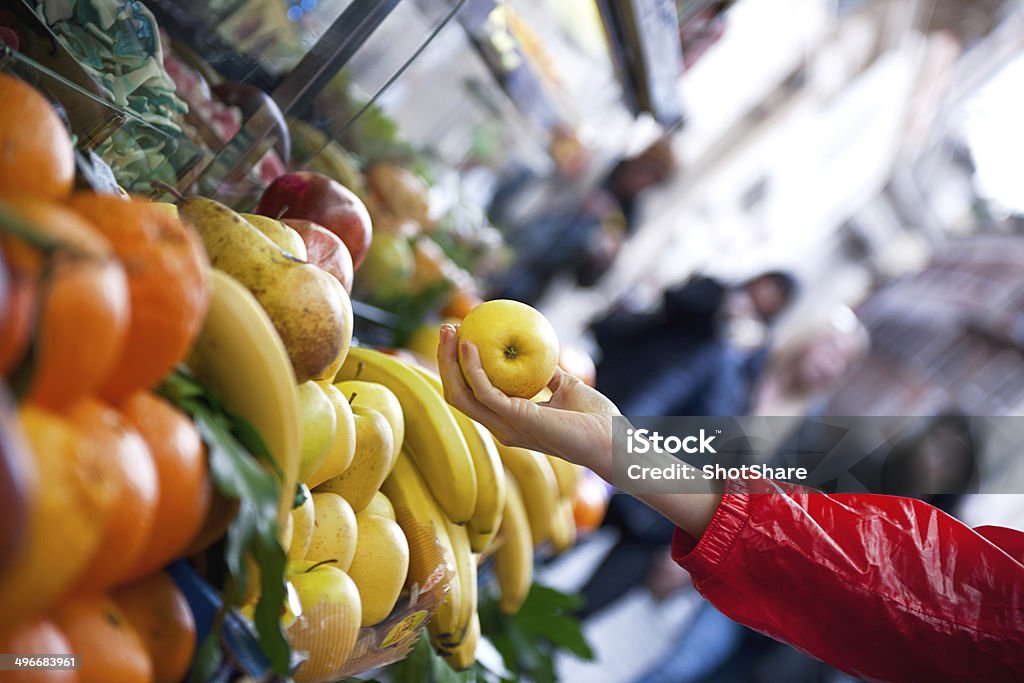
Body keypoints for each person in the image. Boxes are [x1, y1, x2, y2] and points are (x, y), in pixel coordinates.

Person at [435, 325, 1024, 682]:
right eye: (828, 348)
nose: (829, 363)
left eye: (843, 361)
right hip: (628, 499)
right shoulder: (741, 362)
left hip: (672, 537)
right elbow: (917, 583)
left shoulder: (815, 427)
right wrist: (618, 454)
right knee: (530, 561)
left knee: (591, 618)